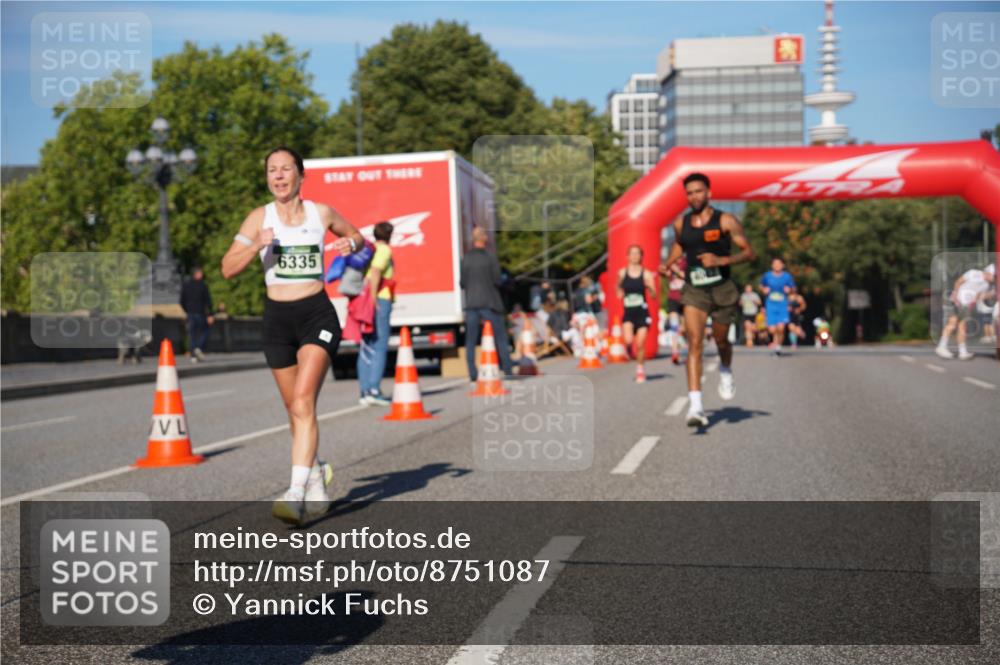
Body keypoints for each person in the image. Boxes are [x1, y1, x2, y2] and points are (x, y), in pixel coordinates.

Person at [221, 147, 364, 526]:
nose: (279, 176)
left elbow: (358, 236)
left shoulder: (321, 213)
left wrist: (351, 243)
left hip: (316, 314)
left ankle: (294, 493)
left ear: (301, 175)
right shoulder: (259, 218)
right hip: (277, 322)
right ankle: (316, 476)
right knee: (294, 410)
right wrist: (256, 245)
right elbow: (227, 268)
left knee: (303, 402)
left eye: (286, 169)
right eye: (273, 170)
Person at [658, 173, 754, 427]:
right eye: (689, 193)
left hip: (722, 289)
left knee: (721, 340)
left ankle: (726, 369)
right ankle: (696, 407)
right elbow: (680, 246)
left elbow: (748, 252)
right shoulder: (681, 223)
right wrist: (668, 263)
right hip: (695, 290)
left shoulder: (726, 220)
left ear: (709, 193)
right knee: (695, 343)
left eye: (698, 191)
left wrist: (721, 260)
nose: (694, 196)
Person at [461, 226, 513, 381]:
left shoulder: (466, 258)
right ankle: (507, 369)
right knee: (500, 337)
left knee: (470, 340)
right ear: (484, 238)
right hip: (490, 303)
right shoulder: (490, 257)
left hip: (471, 303)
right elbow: (497, 280)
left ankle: (472, 372)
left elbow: (462, 282)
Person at [357, 221, 395, 405]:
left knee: (366, 345)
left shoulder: (370, 250)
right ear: (390, 235)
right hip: (380, 299)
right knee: (380, 345)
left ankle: (364, 391)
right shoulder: (384, 250)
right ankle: (374, 389)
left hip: (365, 300)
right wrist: (374, 299)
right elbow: (376, 271)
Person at [937, 263, 995, 360]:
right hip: (957, 301)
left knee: (962, 327)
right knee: (953, 323)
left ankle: (962, 352)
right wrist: (956, 296)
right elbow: (959, 282)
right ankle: (942, 346)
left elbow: (978, 296)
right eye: (994, 276)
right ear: (988, 273)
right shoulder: (973, 273)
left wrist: (991, 294)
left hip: (966, 305)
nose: (994, 278)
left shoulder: (986, 285)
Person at [617, 245, 657, 382]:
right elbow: (618, 289)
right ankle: (628, 349)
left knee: (640, 344)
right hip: (628, 312)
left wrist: (649, 287)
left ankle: (640, 369)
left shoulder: (646, 274)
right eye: (632, 253)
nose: (635, 256)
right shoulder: (622, 273)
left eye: (637, 253)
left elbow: (654, 295)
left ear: (641, 256)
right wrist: (619, 291)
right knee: (628, 340)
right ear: (627, 256)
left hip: (642, 312)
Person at [760, 258, 796, 356]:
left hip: (782, 305)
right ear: (772, 265)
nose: (777, 265)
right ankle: (776, 342)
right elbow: (761, 286)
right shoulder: (767, 276)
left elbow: (793, 289)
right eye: (775, 264)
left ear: (782, 265)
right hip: (770, 305)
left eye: (779, 263)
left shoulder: (786, 276)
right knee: (772, 329)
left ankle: (778, 345)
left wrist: (789, 290)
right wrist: (764, 290)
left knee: (781, 328)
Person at [180, 266, 214, 363]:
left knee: (192, 334)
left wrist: (187, 310)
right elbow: (208, 300)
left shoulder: (186, 285)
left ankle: (193, 354)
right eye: (200, 273)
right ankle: (198, 348)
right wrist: (210, 314)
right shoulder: (203, 285)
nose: (202, 275)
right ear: (196, 274)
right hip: (200, 312)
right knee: (205, 330)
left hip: (191, 312)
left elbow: (182, 300)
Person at [665, 256, 688, 363]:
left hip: (685, 299)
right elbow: (664, 274)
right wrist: (665, 270)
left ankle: (688, 348)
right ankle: (675, 352)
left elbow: (687, 276)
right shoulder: (670, 263)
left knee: (684, 328)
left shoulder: (686, 262)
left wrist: (677, 270)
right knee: (674, 326)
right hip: (672, 299)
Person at [739, 284, 762, 348]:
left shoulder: (755, 295)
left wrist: (755, 301)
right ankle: (749, 341)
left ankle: (752, 338)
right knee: (747, 327)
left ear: (751, 289)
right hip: (746, 313)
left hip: (753, 313)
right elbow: (740, 303)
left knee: (753, 328)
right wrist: (741, 302)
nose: (748, 289)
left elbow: (760, 303)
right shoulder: (743, 295)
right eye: (747, 288)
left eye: (749, 288)